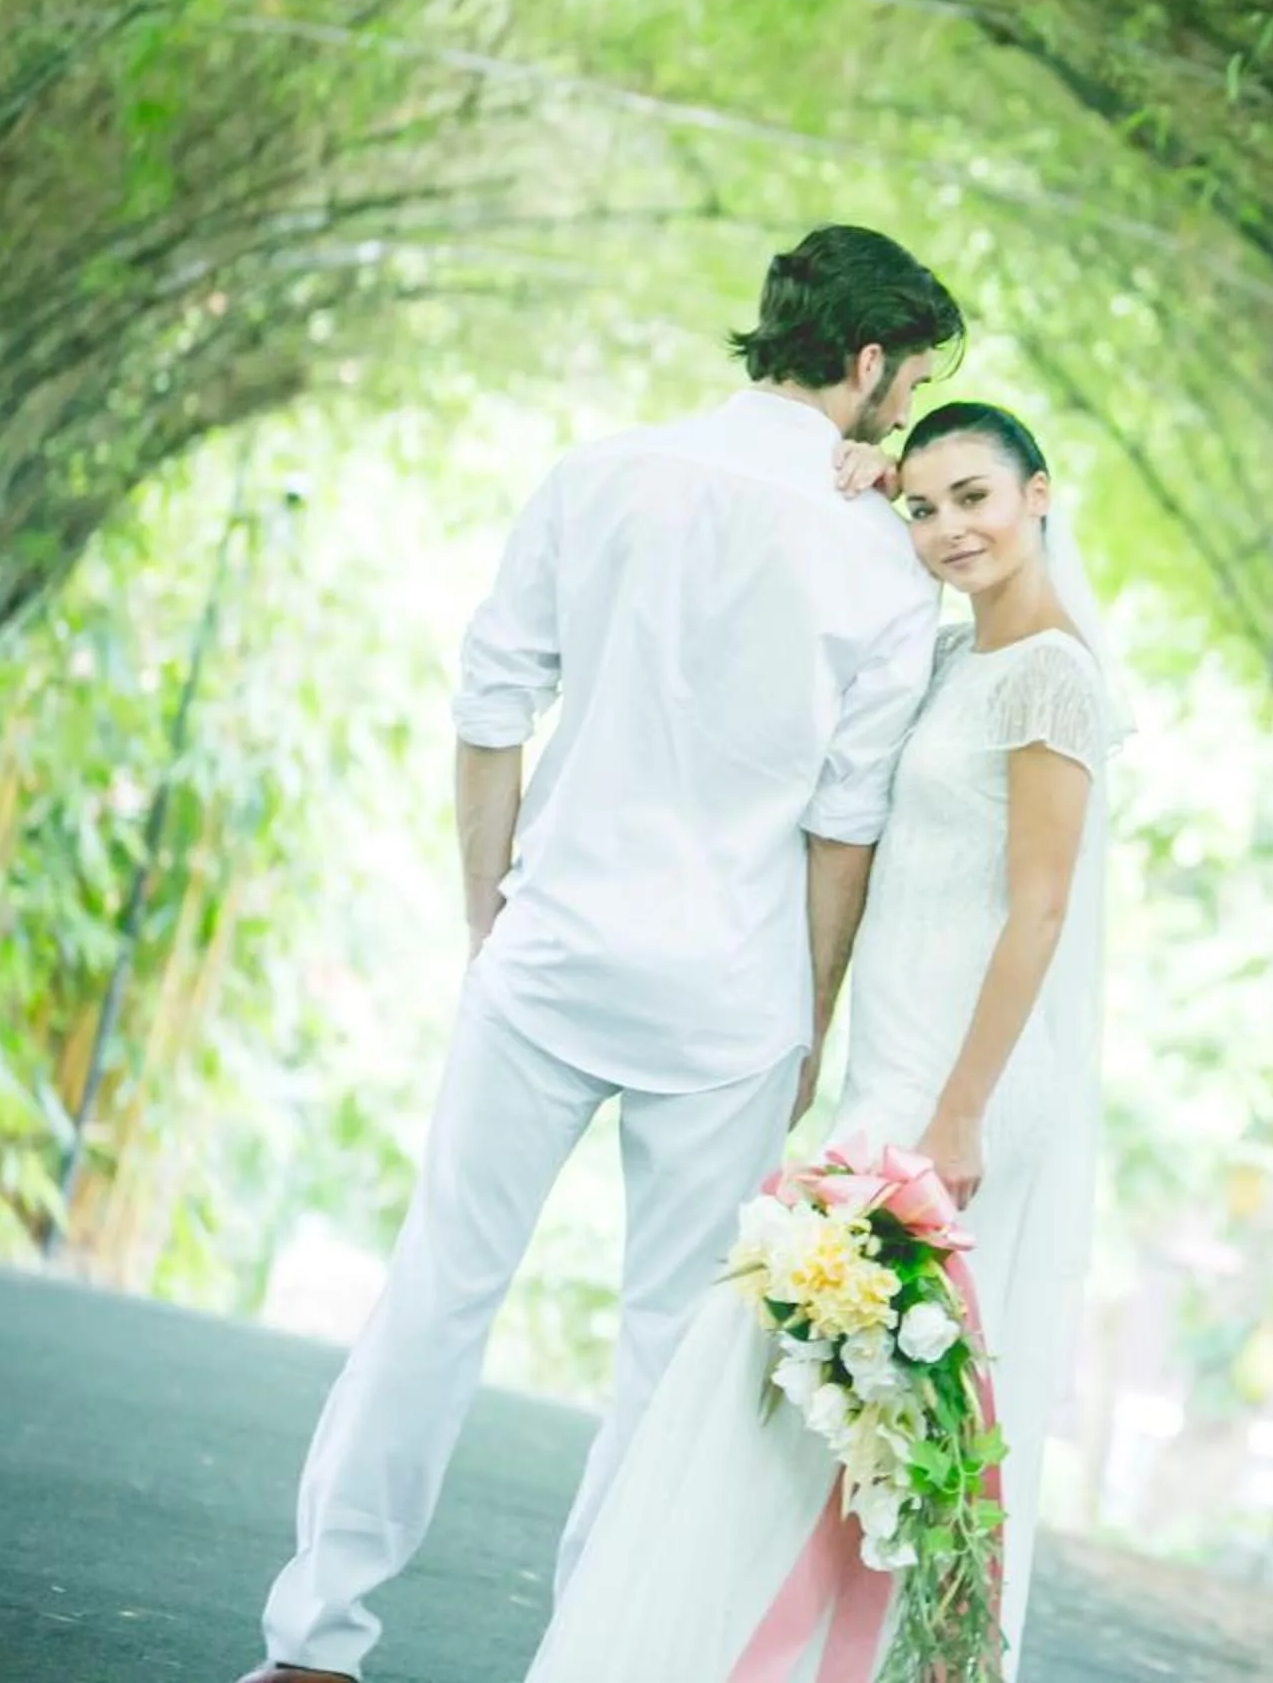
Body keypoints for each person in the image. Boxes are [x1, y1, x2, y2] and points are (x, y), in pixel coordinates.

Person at [240, 225, 966, 1683]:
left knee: (436, 1292)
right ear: (870, 362)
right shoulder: (887, 575)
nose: (905, 416)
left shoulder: (600, 475)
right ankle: (593, 1659)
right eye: (912, 384)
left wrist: (483, 914)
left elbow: (492, 701)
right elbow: (844, 828)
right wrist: (810, 1021)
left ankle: (316, 1643)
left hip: (554, 953)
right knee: (661, 1363)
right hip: (729, 998)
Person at [525, 400, 1126, 1683]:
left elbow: (1041, 905)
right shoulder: (961, 659)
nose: (948, 527)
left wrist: (959, 1110)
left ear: (1040, 496)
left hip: (958, 1096)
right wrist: (852, 477)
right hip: (895, 1071)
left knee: (799, 1397)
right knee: (818, 1412)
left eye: (974, 495)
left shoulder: (1052, 677)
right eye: (924, 505)